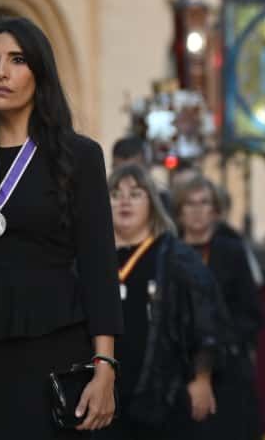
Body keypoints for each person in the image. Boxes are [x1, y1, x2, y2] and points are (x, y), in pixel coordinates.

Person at [0, 17, 123, 437]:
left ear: (40, 72)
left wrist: (104, 367)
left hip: (52, 350)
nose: (1, 72)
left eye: (17, 60)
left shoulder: (79, 157)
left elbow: (98, 267)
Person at [101, 163, 227, 439]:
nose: (124, 201)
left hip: (165, 395)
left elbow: (207, 322)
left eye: (135, 194)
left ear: (152, 204)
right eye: (115, 194)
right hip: (103, 399)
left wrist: (202, 378)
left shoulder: (177, 257)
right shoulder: (92, 258)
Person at [175, 174, 265, 440]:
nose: (198, 210)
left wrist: (221, 344)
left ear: (215, 211)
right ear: (179, 212)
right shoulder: (168, 251)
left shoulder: (232, 251)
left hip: (228, 367)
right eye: (190, 204)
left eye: (204, 203)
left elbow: (252, 312)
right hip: (179, 366)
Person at [111, 134, 172, 212]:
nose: (125, 203)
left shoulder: (163, 200)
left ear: (148, 167)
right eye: (120, 172)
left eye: (135, 172)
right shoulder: (101, 198)